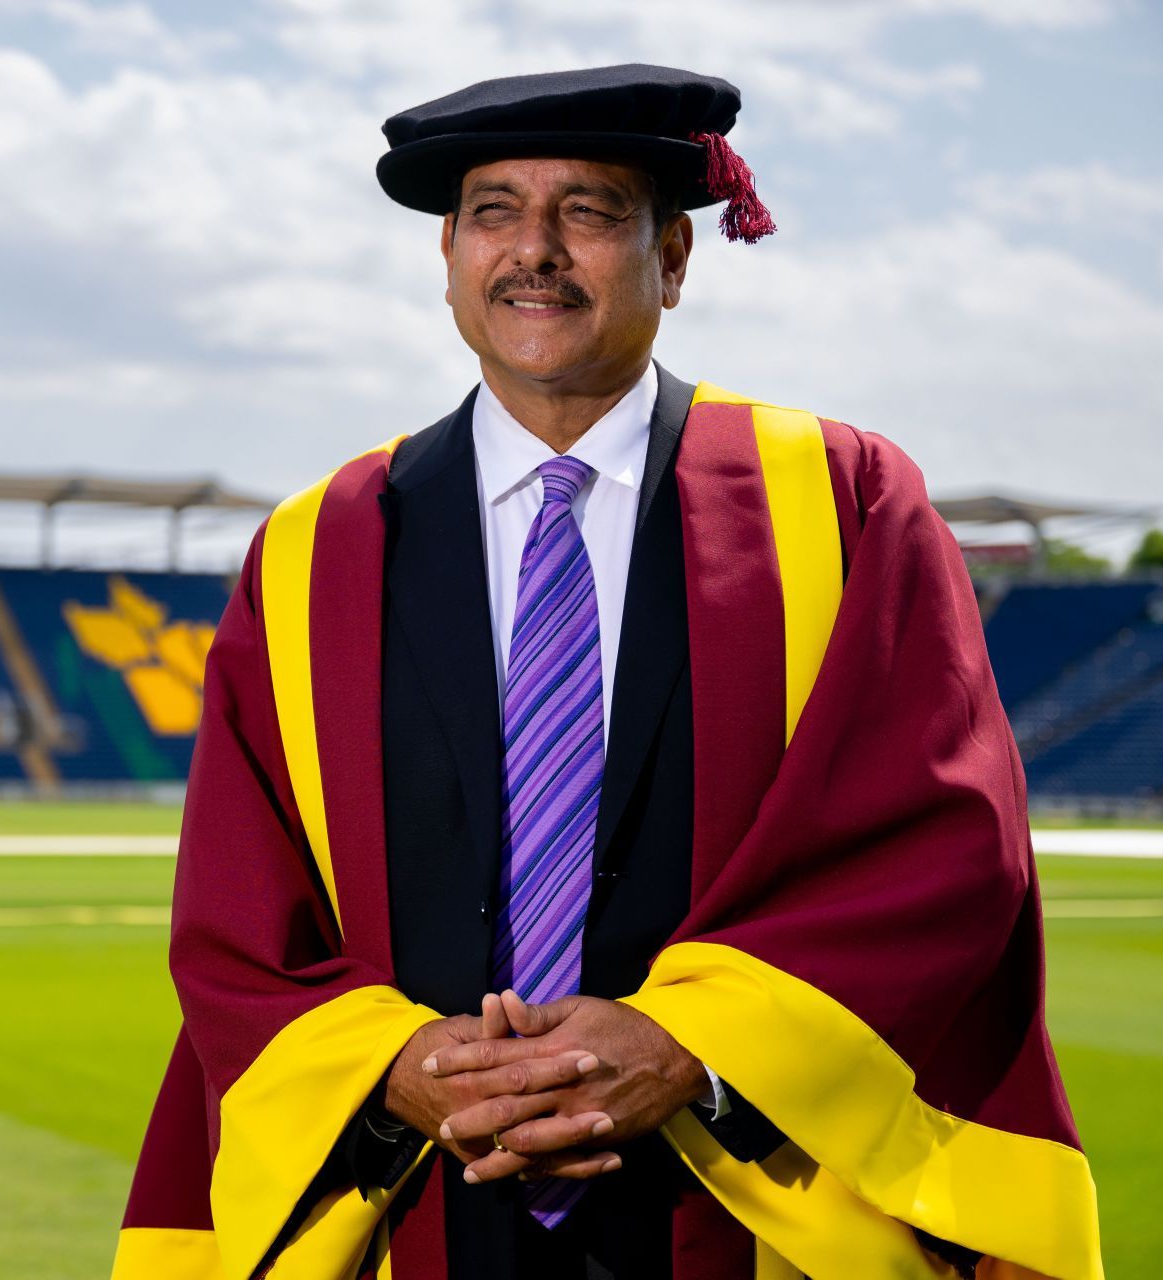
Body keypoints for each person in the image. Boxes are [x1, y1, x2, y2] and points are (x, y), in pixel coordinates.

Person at [111, 63, 1103, 1280]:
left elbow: (944, 839)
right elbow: (238, 914)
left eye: (586, 209)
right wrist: (401, 1069)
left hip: (748, 1211)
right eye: (494, 212)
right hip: (426, 1202)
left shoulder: (843, 505)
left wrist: (690, 1040)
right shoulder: (317, 548)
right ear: (448, 260)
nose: (535, 250)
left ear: (674, 257)